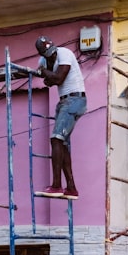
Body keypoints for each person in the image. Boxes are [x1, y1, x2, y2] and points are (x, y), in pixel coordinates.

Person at [33, 36, 86, 199]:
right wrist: (48, 75)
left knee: (56, 139)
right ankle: (71, 188)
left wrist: (47, 74)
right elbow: (49, 82)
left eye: (52, 52)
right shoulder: (43, 61)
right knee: (62, 144)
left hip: (74, 99)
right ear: (43, 54)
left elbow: (58, 78)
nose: (53, 56)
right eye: (49, 54)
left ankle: (56, 186)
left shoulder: (64, 53)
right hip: (65, 101)